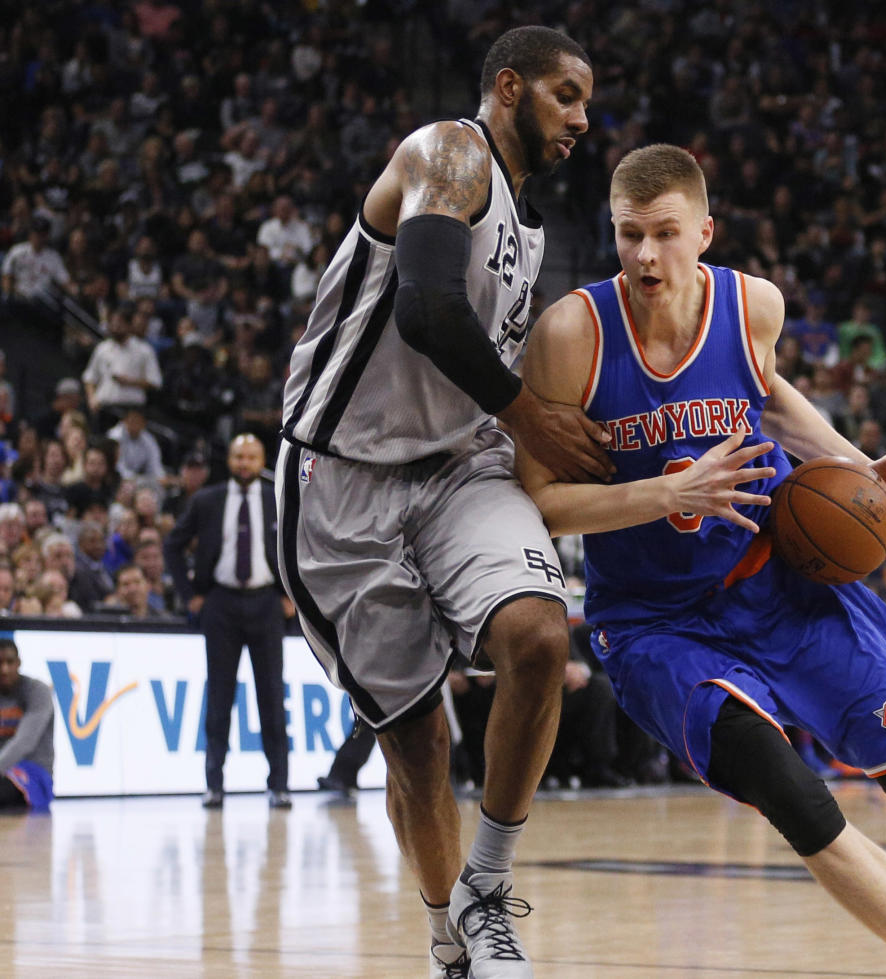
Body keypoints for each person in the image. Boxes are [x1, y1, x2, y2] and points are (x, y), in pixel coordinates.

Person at [514, 145, 886, 979]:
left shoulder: (753, 307)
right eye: (627, 234)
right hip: (658, 623)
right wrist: (670, 496)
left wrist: (857, 465)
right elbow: (543, 498)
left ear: (703, 232)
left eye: (664, 234)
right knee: (793, 793)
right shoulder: (570, 335)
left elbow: (769, 391)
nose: (643, 255)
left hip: (777, 581)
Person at [275, 27, 606, 979]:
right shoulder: (448, 151)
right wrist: (535, 420)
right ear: (510, 87)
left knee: (542, 637)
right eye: (566, 94)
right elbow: (424, 308)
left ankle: (487, 885)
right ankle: (446, 941)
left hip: (459, 464)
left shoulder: (527, 224)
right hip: (340, 477)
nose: (583, 117)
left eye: (585, 99)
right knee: (418, 743)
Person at [166, 433, 291, 811]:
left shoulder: (278, 498)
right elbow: (172, 545)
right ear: (230, 460)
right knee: (219, 697)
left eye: (251, 457)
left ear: (262, 459)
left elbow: (304, 546)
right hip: (219, 604)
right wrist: (191, 597)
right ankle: (214, 785)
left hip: (266, 603)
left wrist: (293, 599)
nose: (244, 464)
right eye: (238, 456)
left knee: (271, 696)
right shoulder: (206, 500)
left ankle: (279, 786)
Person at [0, 637, 55, 812]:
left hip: (34, 771)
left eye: (9, 662)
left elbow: (25, 742)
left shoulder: (37, 691)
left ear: (19, 663)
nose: (4, 669)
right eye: (0, 663)